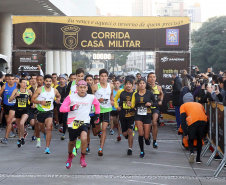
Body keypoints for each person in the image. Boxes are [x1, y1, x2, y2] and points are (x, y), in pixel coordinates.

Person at [60, 80, 100, 169]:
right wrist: (71, 107)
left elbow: (97, 105)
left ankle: (82, 158)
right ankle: (70, 156)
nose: (82, 89)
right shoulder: (71, 97)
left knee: (84, 138)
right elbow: (61, 109)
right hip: (73, 122)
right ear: (77, 88)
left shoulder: (91, 97)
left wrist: (97, 116)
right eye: (80, 87)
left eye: (84, 87)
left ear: (87, 88)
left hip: (84, 121)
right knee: (72, 142)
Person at [127, 78, 157, 158]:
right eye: (140, 83)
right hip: (138, 115)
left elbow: (155, 103)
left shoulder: (150, 93)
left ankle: (148, 138)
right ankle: (142, 151)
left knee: (146, 136)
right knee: (140, 133)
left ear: (145, 84)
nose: (142, 85)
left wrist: (150, 104)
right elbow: (133, 104)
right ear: (138, 85)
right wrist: (130, 105)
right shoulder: (135, 94)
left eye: (143, 83)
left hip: (147, 114)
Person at [31, 74, 61, 154]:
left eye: (50, 81)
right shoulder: (40, 90)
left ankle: (47, 148)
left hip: (49, 112)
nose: (48, 83)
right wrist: (40, 102)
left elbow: (58, 96)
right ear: (44, 81)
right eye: (47, 81)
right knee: (42, 129)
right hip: (40, 112)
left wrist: (58, 99)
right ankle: (43, 134)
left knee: (48, 128)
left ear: (52, 82)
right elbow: (32, 100)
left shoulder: (54, 90)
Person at [180, 93, 207, 163]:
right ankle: (198, 159)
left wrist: (185, 133)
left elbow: (182, 121)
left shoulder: (183, 106)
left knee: (190, 138)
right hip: (203, 120)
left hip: (193, 120)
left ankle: (191, 152)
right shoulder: (199, 104)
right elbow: (205, 114)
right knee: (199, 139)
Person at [92, 69, 114, 156]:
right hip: (97, 110)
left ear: (107, 77)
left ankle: (101, 148)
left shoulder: (110, 86)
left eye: (105, 76)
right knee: (96, 131)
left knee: (104, 128)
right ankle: (98, 132)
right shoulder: (95, 86)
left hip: (107, 109)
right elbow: (90, 98)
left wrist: (112, 100)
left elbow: (111, 95)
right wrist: (97, 100)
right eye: (102, 76)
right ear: (99, 77)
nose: (103, 78)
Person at [114, 77, 135, 155]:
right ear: (124, 85)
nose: (128, 85)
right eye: (127, 84)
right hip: (122, 115)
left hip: (132, 115)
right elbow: (115, 100)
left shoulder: (135, 93)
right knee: (125, 133)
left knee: (130, 131)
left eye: (130, 84)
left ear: (132, 85)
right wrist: (117, 107)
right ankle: (127, 137)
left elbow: (137, 103)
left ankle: (130, 148)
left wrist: (132, 106)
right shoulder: (120, 92)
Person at [9, 78, 32, 147]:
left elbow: (33, 99)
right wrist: (15, 96)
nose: (25, 84)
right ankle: (19, 138)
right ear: (20, 83)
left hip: (26, 110)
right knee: (19, 126)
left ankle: (22, 137)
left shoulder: (28, 91)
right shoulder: (16, 90)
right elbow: (10, 99)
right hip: (18, 110)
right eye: (24, 83)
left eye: (26, 83)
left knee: (22, 123)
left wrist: (33, 104)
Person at [147, 72, 164, 148]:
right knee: (148, 125)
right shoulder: (145, 87)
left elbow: (161, 94)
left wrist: (160, 100)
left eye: (153, 77)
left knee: (154, 122)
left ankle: (154, 141)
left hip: (155, 107)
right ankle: (148, 134)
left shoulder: (158, 87)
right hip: (147, 108)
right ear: (148, 79)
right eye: (150, 77)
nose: (152, 78)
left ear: (155, 78)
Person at [0, 74, 17, 144]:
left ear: (15, 80)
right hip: (6, 105)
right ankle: (13, 132)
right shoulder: (5, 86)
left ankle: (5, 138)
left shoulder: (17, 86)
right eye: (10, 79)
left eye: (13, 79)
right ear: (8, 79)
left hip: (14, 105)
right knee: (8, 121)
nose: (11, 81)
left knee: (9, 121)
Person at [56, 74, 68, 140]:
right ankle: (61, 125)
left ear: (65, 80)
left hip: (66, 105)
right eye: (60, 79)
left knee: (64, 119)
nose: (61, 80)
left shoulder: (67, 87)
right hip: (59, 105)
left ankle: (63, 133)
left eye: (63, 79)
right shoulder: (57, 88)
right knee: (60, 119)